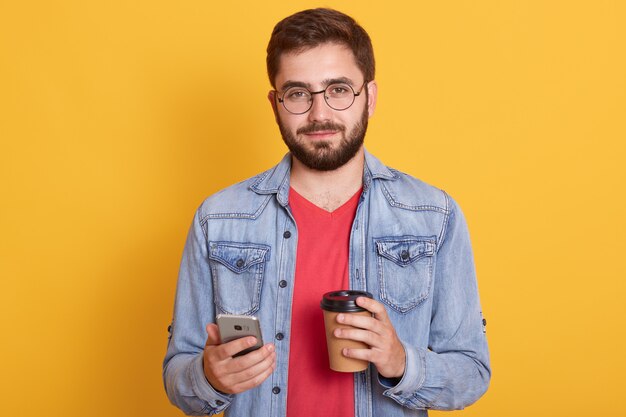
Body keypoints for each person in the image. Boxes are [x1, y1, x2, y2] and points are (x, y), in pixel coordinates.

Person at [163, 8, 490, 417]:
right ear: (275, 103)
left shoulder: (433, 216)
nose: (319, 114)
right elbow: (179, 372)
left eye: (338, 89)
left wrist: (401, 362)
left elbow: (472, 371)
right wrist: (208, 378)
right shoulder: (218, 219)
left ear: (369, 97)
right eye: (298, 93)